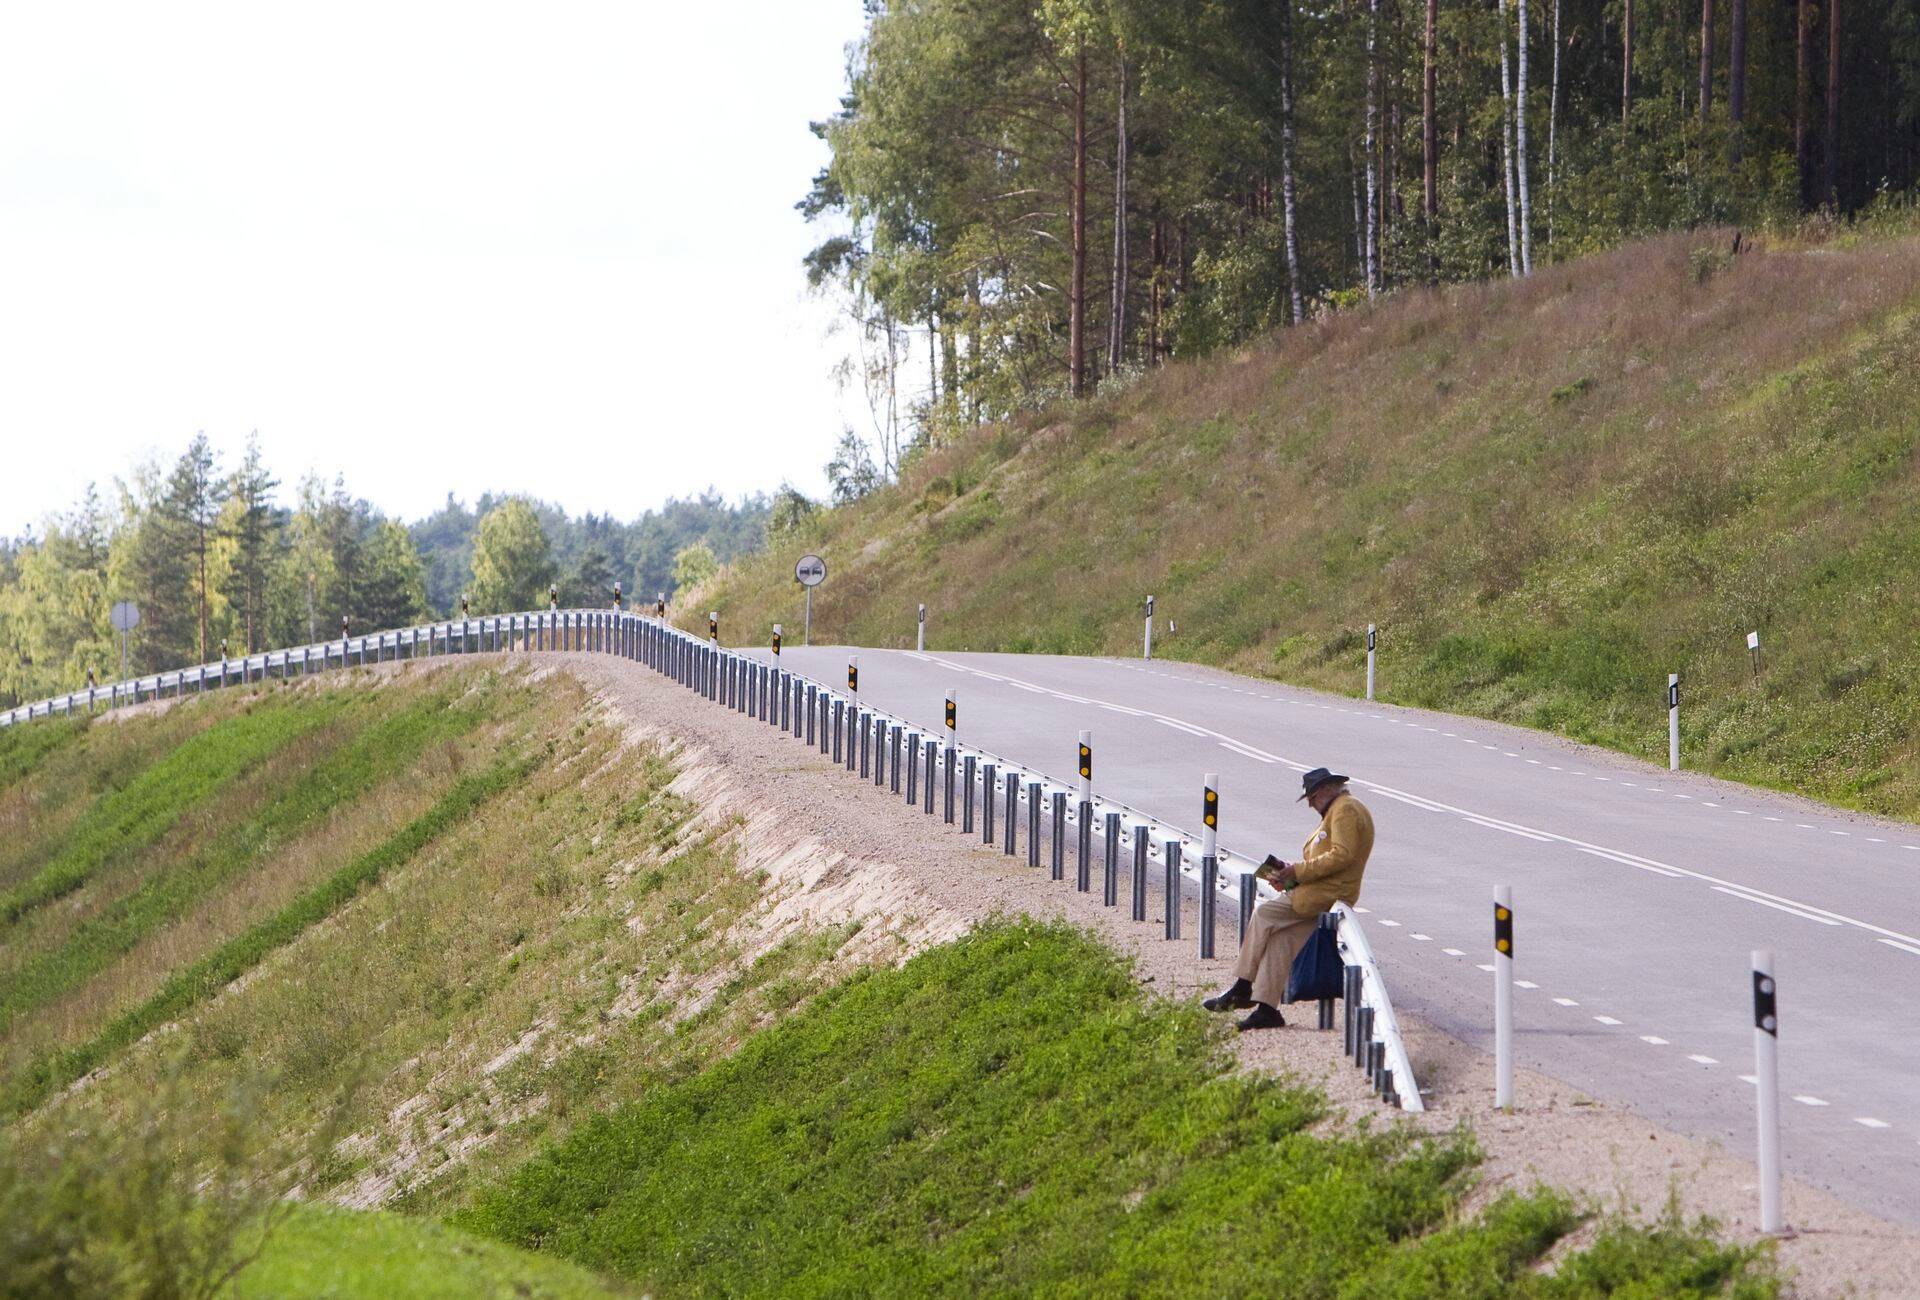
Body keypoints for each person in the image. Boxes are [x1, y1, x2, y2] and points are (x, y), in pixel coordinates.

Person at [1203, 767, 1375, 1032]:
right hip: (1320, 892)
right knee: (1279, 940)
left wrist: (1296, 871)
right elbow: (1327, 859)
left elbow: (1342, 855)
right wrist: (1290, 878)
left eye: (1312, 798)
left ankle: (1242, 986)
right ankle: (1267, 1010)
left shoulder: (1345, 810)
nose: (1310, 805)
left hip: (1329, 894)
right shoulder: (1338, 809)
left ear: (1326, 791)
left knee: (1264, 914)